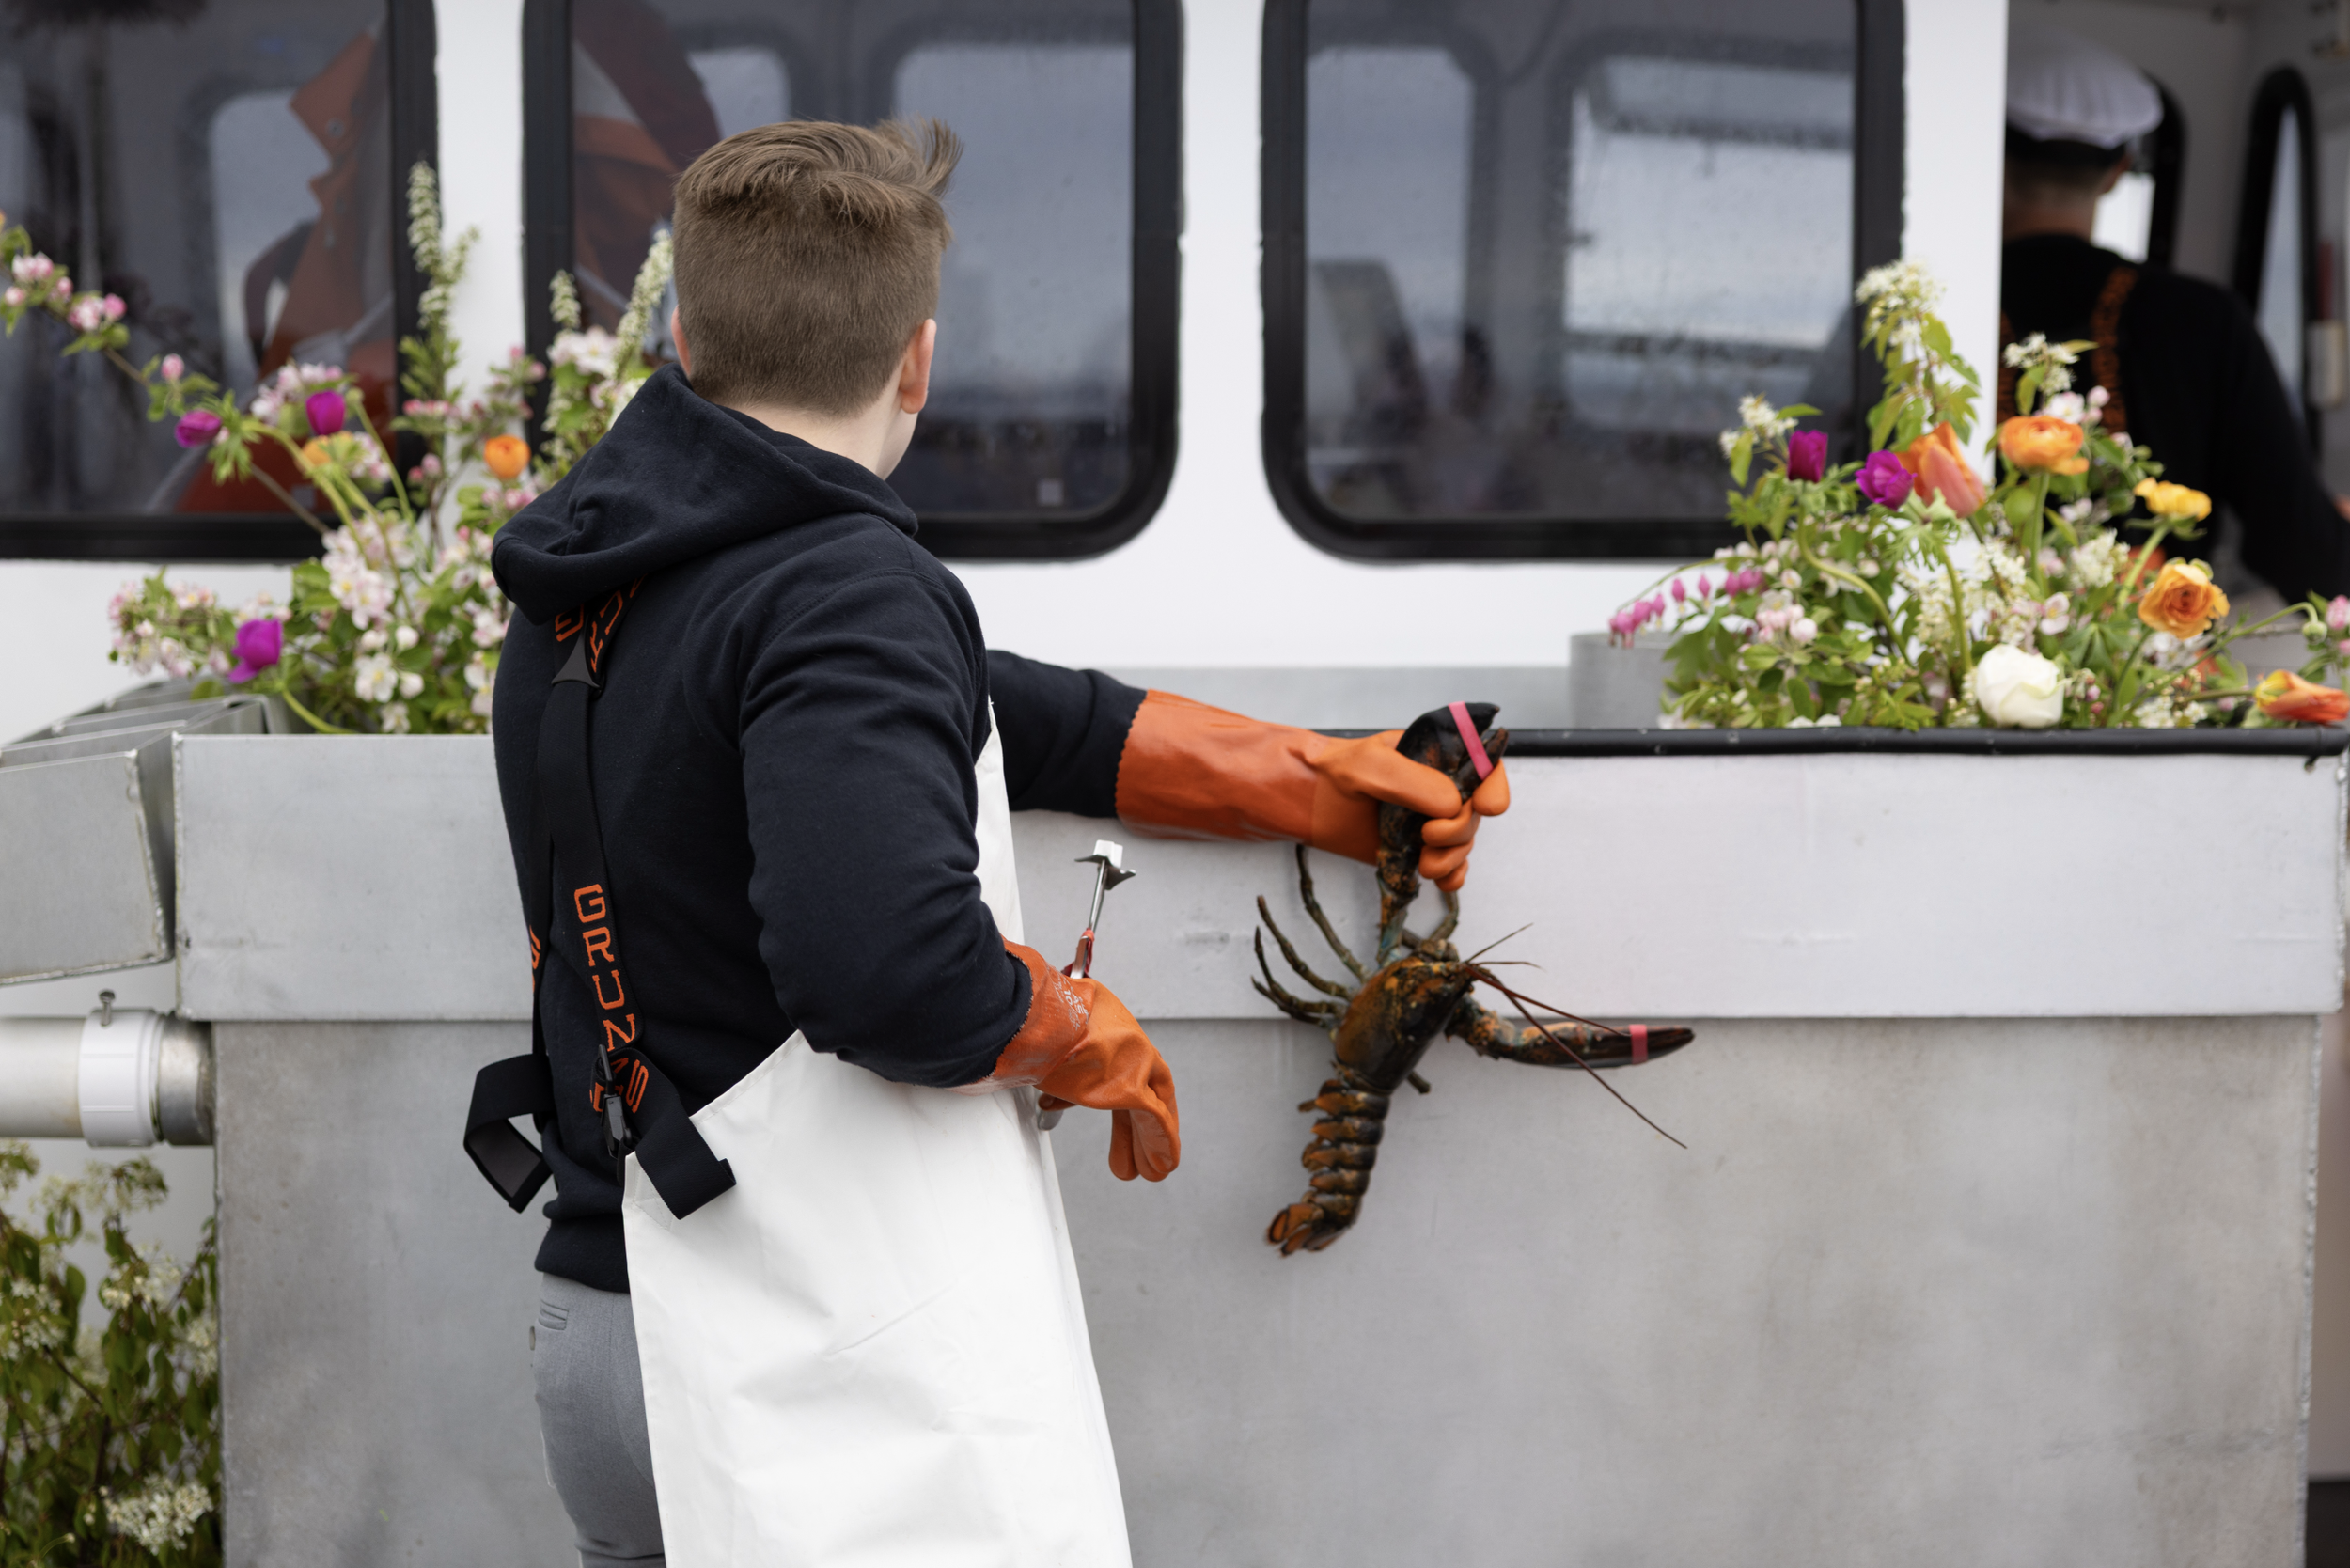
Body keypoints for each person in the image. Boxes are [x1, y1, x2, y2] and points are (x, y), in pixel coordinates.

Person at [473, 119, 1513, 1567]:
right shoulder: (841, 590)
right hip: (802, 1370)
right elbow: (884, 968)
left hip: (606, 1321)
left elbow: (995, 712)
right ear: (918, 359)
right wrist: (1077, 1032)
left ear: (687, 336)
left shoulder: (595, 582)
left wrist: (1312, 780)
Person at [1999, 19, 2350, 602]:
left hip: (1946, 660)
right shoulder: (2205, 321)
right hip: (2148, 678)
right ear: (2116, 172)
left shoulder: (1921, 307)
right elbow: (2303, 552)